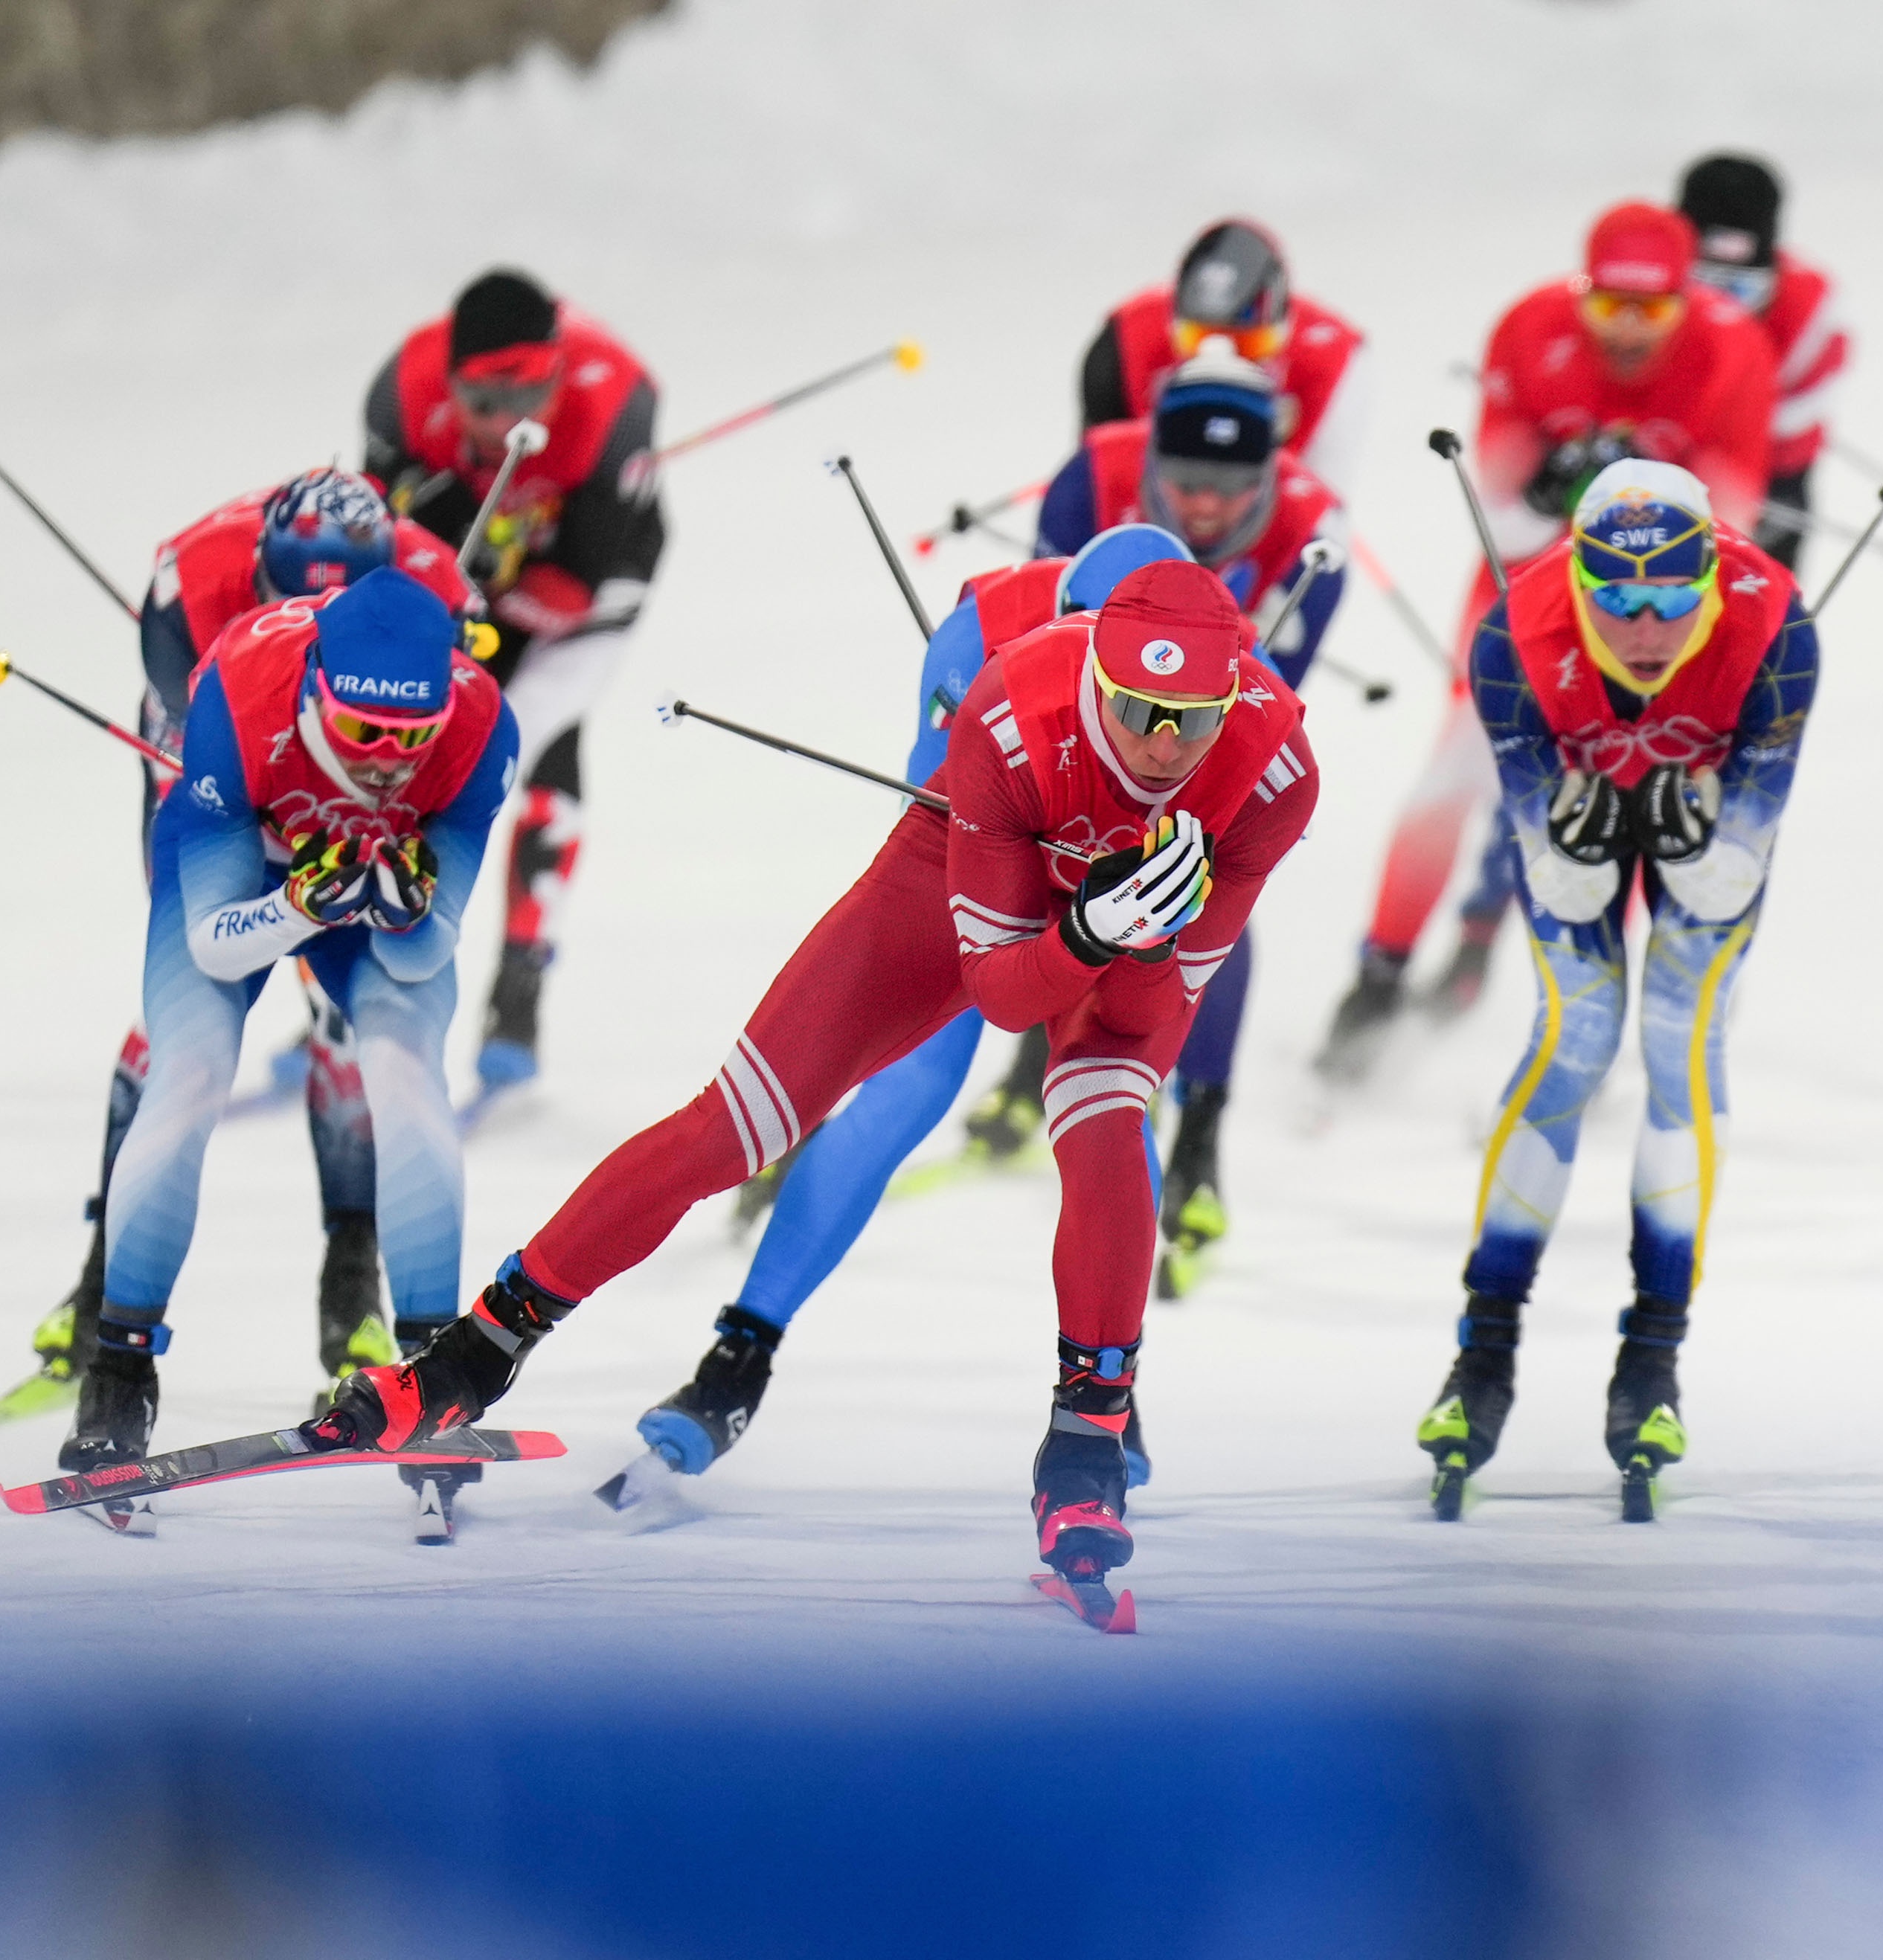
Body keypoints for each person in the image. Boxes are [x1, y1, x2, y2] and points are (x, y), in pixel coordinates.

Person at [309, 560, 1318, 1588]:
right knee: (733, 1125)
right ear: (1090, 658)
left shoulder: (1273, 765)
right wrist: (1090, 926)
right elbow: (1004, 992)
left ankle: (1084, 1444)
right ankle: (471, 1357)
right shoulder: (1003, 691)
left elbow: (1149, 1021)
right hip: (969, 874)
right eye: (1139, 708)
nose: (1161, 743)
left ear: (1233, 691)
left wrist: (1142, 943)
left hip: (1114, 920)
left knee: (1107, 1123)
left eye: (1190, 718)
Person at [626, 525, 1197, 1500]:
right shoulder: (980, 634)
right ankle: (738, 1358)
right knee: (907, 1086)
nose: (1134, 720)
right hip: (993, 871)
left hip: (1118, 897)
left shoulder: (1212, 666)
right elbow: (948, 822)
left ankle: (1109, 1379)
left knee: (1110, 1113)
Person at [0, 472, 477, 1427]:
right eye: (288, 596)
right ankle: (103, 1299)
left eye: (332, 601)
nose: (307, 616)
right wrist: (290, 889)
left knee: (352, 1010)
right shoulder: (195, 586)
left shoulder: (433, 590)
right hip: (231, 753)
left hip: (346, 758)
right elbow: (209, 793)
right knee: (185, 1017)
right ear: (257, 569)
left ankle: (353, 1278)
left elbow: (436, 739)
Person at [1414, 460, 1817, 1525]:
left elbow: (1736, 861)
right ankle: (1481, 1354)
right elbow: (1553, 871)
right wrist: (1574, 836)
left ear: (1709, 581)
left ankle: (1652, 1357)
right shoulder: (1512, 636)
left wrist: (1698, 834)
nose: (1645, 626)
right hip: (1580, 817)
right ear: (1579, 581)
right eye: (1618, 599)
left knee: (1680, 1046)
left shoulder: (1774, 620)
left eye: (1674, 598)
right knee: (1574, 1040)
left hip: (1707, 818)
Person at [62, 570, 516, 1474]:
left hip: (362, 880)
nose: (386, 760)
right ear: (315, 689)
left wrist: (401, 905)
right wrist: (303, 905)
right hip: (248, 871)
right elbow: (217, 945)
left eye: (408, 739)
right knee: (190, 1069)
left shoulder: (481, 724)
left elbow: (425, 957)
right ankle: (118, 1376)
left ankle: (432, 1371)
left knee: (405, 1062)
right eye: (360, 732)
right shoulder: (243, 686)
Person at [1317, 203, 1776, 1079]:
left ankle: (1586, 1020)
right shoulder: (1530, 331)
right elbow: (1495, 507)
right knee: (1452, 773)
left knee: (1633, 797)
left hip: (1653, 612)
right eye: (1609, 310)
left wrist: (1619, 509)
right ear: (1581, 296)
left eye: (1652, 314)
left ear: (1687, 301)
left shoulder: (1733, 352)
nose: (1629, 336)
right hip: (1526, 587)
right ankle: (1377, 976)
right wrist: (1547, 493)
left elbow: (1736, 523)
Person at [962, 342, 1345, 1296]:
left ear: (1273, 472)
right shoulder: (1089, 480)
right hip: (1095, 702)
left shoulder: (1310, 531)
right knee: (1055, 850)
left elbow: (1263, 714)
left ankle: (1199, 1140)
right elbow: (1032, 648)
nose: (1207, 507)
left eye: (1231, 485)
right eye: (1183, 481)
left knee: (1202, 877)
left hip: (1216, 713)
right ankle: (1026, 1068)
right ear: (1146, 470)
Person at [364, 267, 666, 1093]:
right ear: (448, 385)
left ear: (560, 374)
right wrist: (453, 547)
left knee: (522, 738)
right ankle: (364, 971)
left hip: (592, 585)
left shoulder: (615, 405)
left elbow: (590, 574)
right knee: (402, 745)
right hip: (476, 581)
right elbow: (383, 539)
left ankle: (519, 979)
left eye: (529, 395)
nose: (506, 423)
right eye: (482, 402)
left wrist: (521, 575)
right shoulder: (400, 394)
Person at [1077, 217, 1373, 501]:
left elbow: (1321, 496)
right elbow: (1098, 480)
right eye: (1198, 339)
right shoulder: (1126, 343)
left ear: (1284, 332)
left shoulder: (1332, 361)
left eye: (1248, 344)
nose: (1222, 359)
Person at [1678, 152, 1851, 572]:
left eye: (1739, 288)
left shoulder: (1808, 308)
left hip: (1772, 471)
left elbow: (1796, 418)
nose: (1722, 306)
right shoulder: (1642, 301)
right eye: (1701, 283)